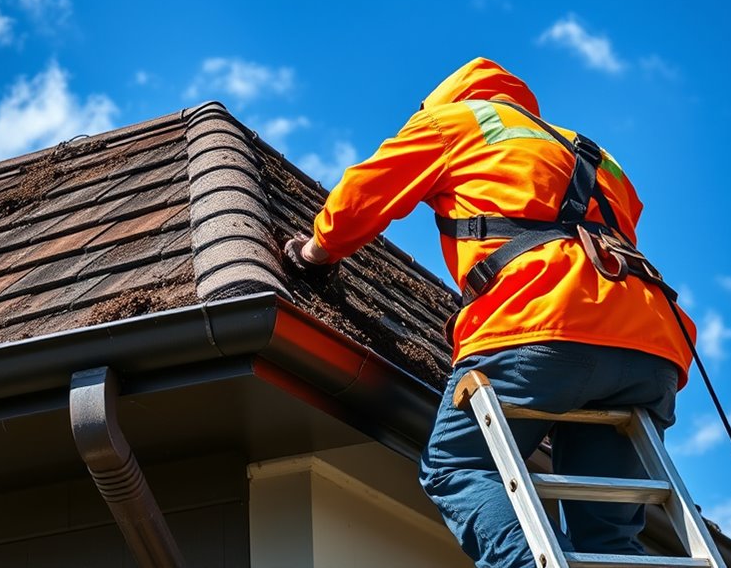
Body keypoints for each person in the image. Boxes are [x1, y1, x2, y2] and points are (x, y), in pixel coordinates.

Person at [284, 57, 696, 566]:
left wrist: (315, 252)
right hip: (650, 343)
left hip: (542, 318)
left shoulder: (454, 121)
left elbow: (365, 194)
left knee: (457, 465)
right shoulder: (593, 152)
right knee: (607, 538)